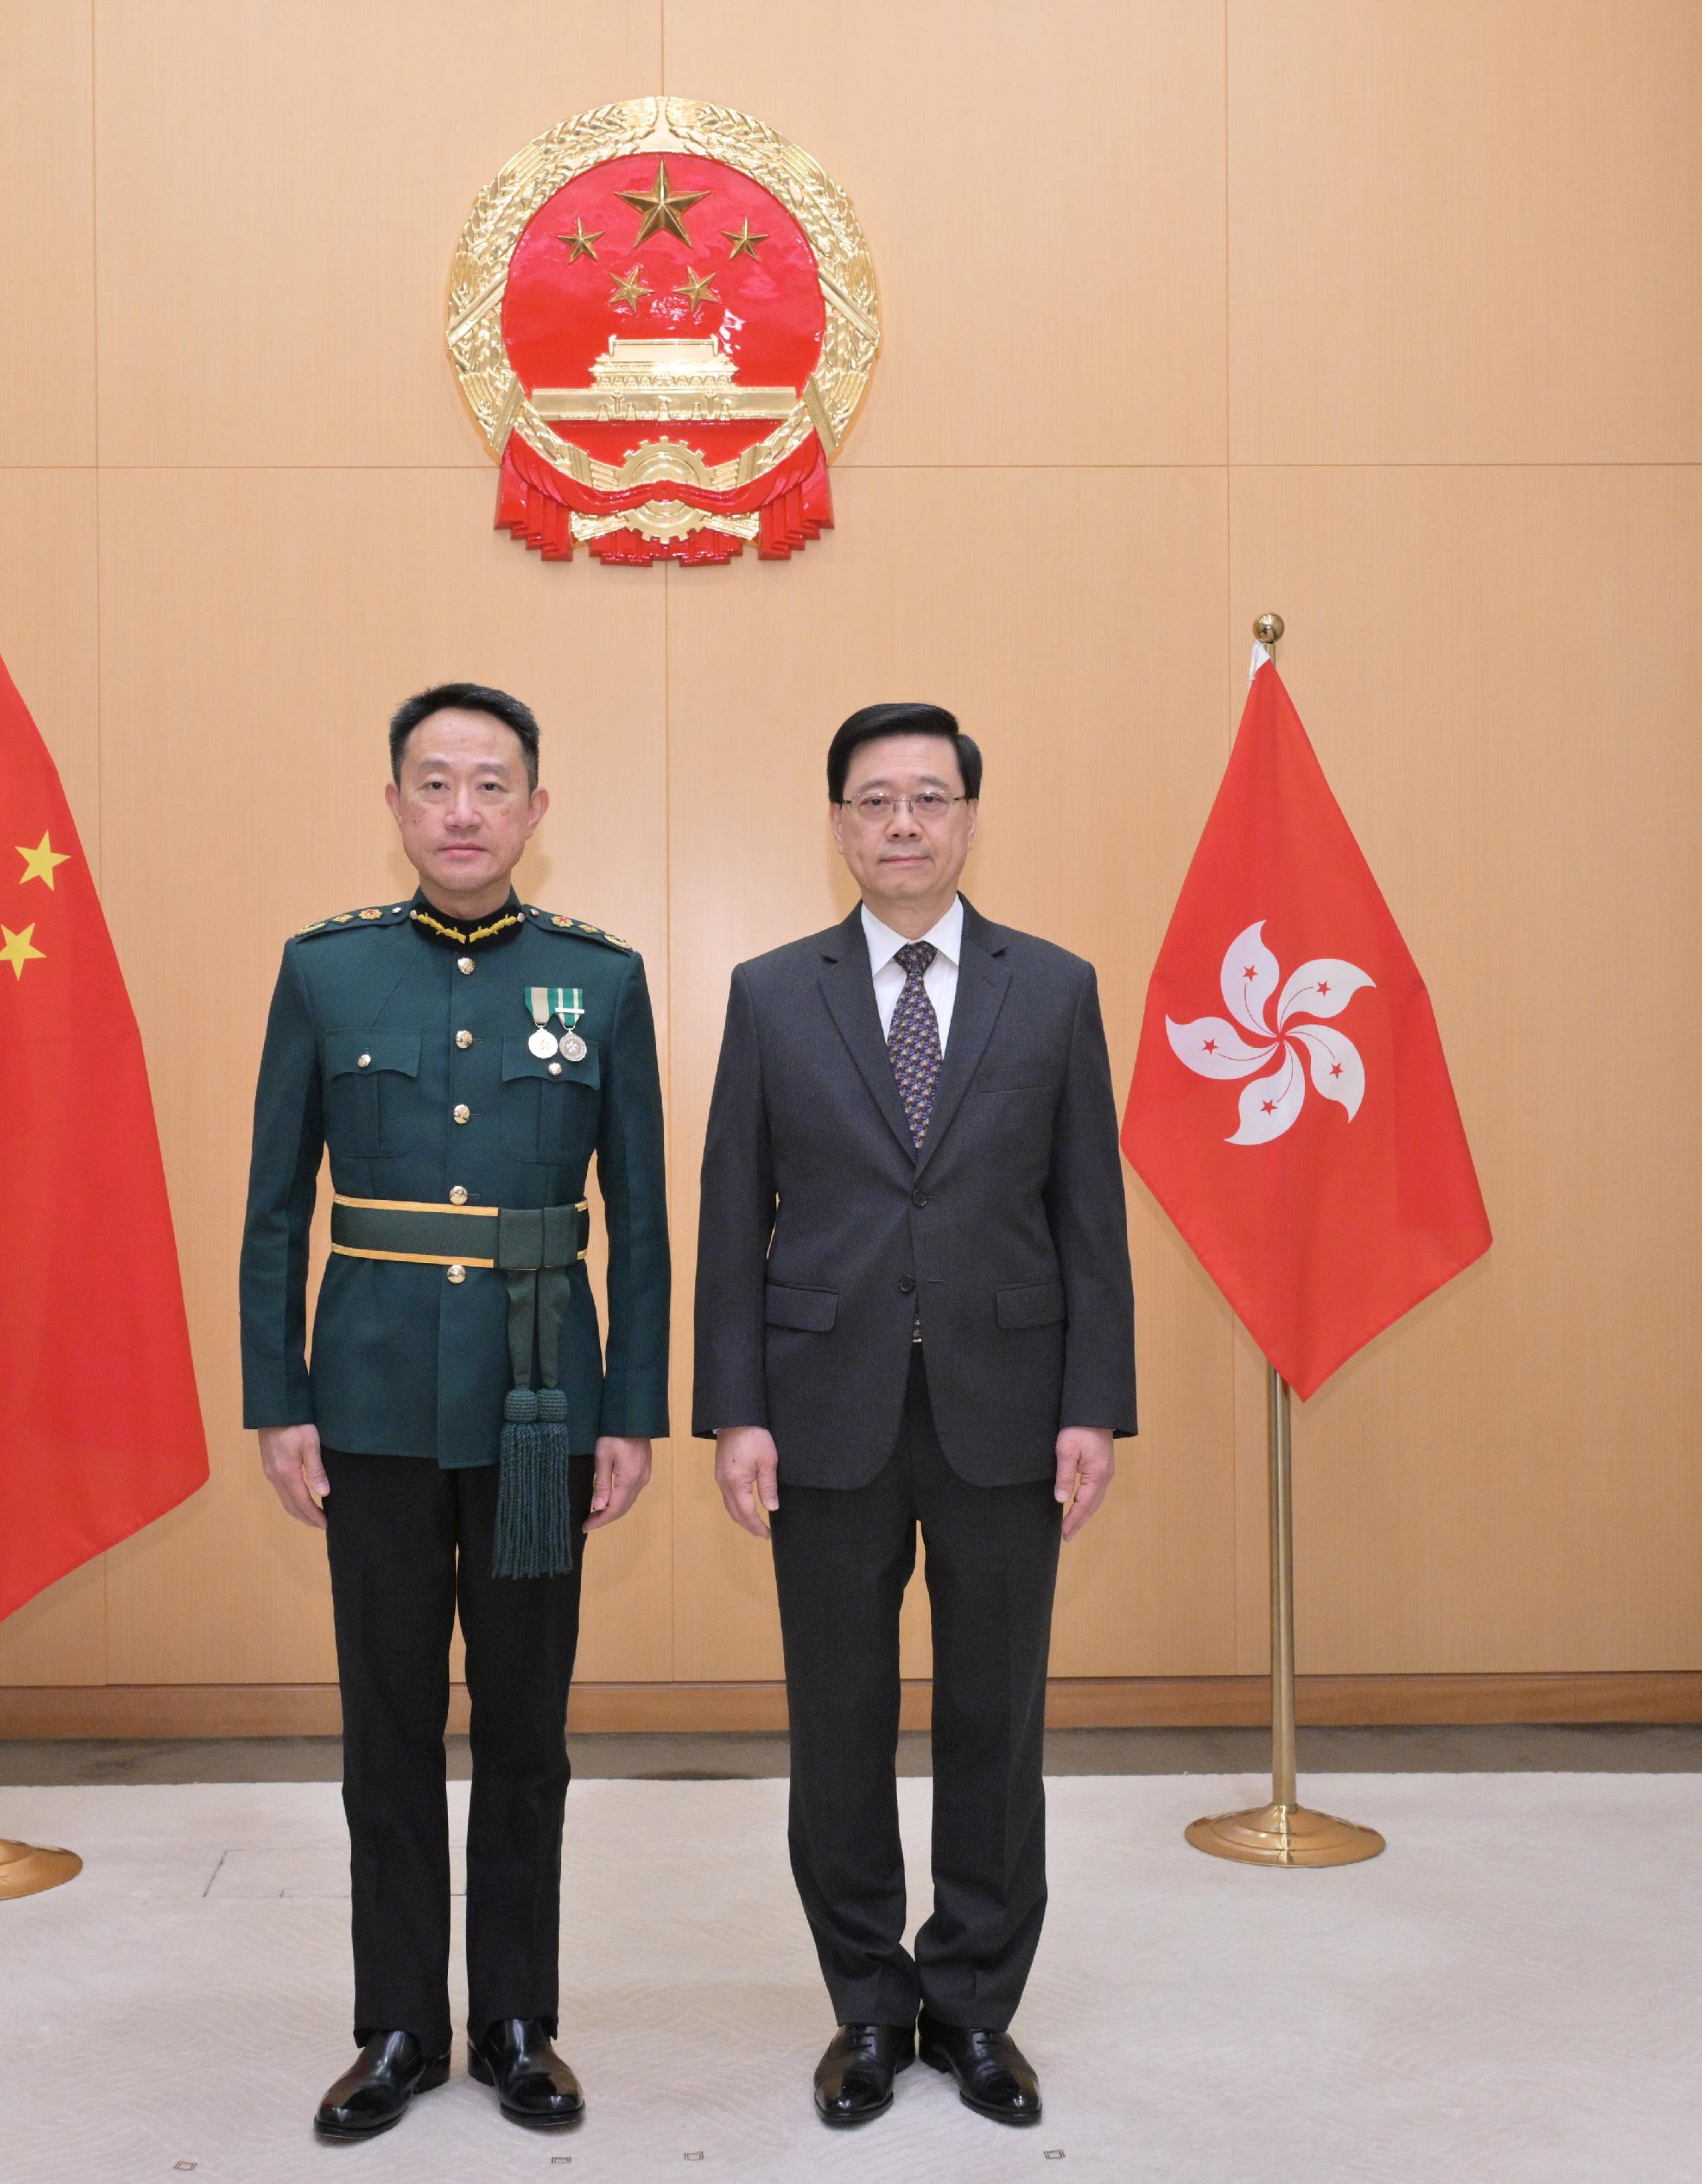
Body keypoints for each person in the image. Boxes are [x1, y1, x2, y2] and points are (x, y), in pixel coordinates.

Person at [692, 701, 1135, 2131]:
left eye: (929, 799)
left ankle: (977, 2007)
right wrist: (734, 1412)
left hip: (1010, 1409)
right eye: (874, 800)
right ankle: (871, 2009)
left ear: (966, 819)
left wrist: (1094, 1407)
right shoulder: (772, 994)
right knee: (839, 1722)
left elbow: (1090, 1224)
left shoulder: (1054, 989)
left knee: (997, 1719)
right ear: (836, 825)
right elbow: (726, 1221)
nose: (902, 825)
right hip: (821, 1413)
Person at [240, 682, 667, 2142]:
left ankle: (519, 2019)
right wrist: (274, 1396)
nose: (465, 809)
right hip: (364, 1397)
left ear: (536, 811)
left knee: (529, 1721)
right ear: (396, 806)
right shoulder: (324, 974)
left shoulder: (598, 982)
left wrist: (636, 1406)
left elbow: (646, 1220)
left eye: (493, 784)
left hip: (546, 1400)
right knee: (387, 1719)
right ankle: (402, 2023)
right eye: (436, 783)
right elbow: (274, 1209)